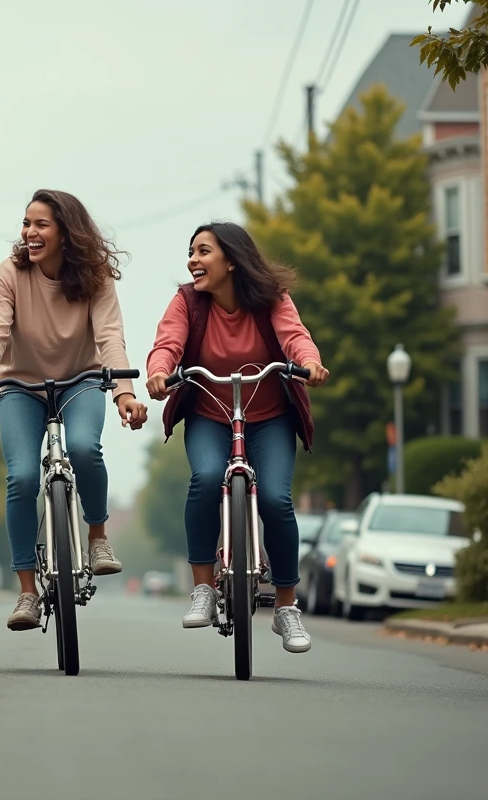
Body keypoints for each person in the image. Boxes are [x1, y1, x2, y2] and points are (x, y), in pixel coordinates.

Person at [0, 189, 148, 631]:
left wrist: (123, 393)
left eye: (41, 224)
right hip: (18, 385)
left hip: (81, 379)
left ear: (67, 233)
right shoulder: (8, 274)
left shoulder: (94, 277)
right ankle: (27, 591)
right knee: (22, 476)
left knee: (85, 447)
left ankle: (98, 537)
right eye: (26, 223)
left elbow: (109, 337)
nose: (30, 232)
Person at [145, 221, 329, 654]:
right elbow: (168, 342)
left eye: (203, 251)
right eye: (191, 252)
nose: (193, 260)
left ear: (231, 259)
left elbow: (294, 336)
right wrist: (159, 371)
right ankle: (204, 588)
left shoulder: (270, 299)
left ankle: (286, 608)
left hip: (269, 417)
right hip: (210, 414)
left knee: (276, 501)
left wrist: (309, 361)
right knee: (207, 478)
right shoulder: (188, 303)